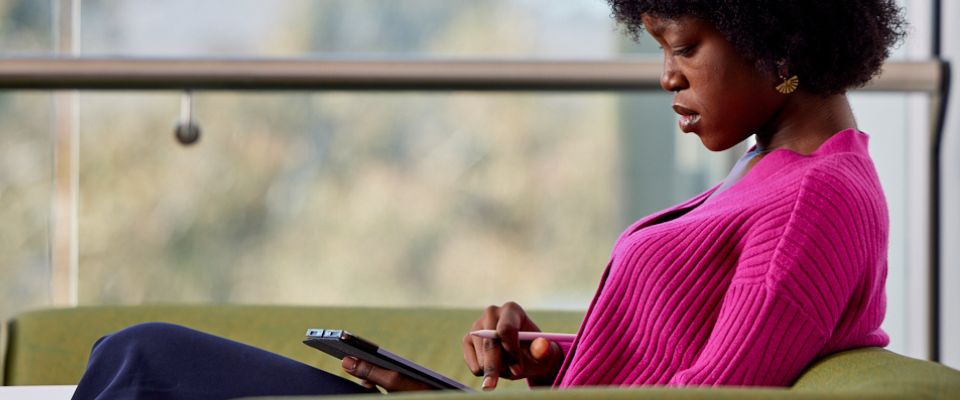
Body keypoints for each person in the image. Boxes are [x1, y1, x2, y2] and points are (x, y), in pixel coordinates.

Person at [71, 0, 906, 398]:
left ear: (779, 37)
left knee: (146, 363)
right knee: (130, 356)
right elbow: (685, 360)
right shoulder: (776, 170)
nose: (667, 76)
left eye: (685, 47)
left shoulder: (813, 201)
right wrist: (551, 357)